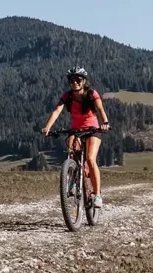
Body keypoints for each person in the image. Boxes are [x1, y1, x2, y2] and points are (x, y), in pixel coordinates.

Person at [41, 66, 111, 207]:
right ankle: (74, 181)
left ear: (84, 81)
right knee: (71, 155)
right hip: (76, 129)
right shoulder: (68, 96)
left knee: (90, 159)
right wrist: (47, 127)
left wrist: (105, 123)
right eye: (72, 80)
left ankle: (97, 195)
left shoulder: (92, 94)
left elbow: (100, 109)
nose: (75, 83)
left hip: (93, 129)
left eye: (78, 80)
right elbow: (57, 111)